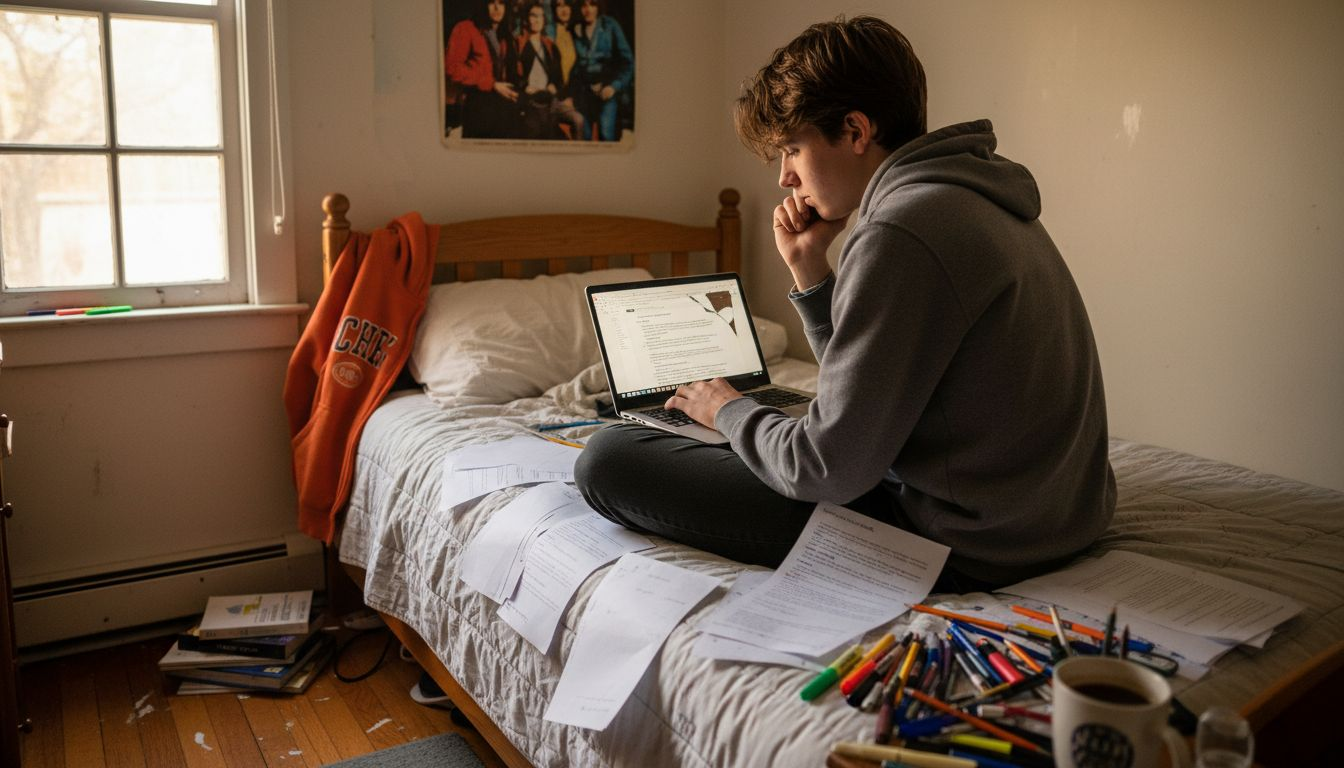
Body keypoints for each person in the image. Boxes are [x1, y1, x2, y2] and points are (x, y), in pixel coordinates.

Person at [574, 16, 1116, 591]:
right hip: (1056, 519)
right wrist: (809, 269)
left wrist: (724, 409)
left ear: (856, 131)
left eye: (793, 149)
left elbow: (824, 468)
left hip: (971, 542)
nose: (785, 177)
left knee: (608, 458)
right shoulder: (976, 196)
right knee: (752, 438)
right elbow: (873, 382)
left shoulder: (901, 232)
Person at [445, 0, 521, 139]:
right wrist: (491, 84)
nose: (497, 8)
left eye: (502, 3)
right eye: (492, 2)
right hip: (475, 105)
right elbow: (452, 68)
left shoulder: (503, 34)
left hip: (501, 107)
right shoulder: (466, 28)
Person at [515, 2, 586, 139]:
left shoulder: (550, 46)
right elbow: (513, 74)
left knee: (579, 120)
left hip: (551, 100)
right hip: (531, 101)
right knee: (538, 132)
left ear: (544, 20)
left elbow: (558, 77)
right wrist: (524, 86)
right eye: (533, 16)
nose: (537, 20)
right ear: (526, 19)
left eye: (540, 16)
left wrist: (554, 86)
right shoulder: (519, 44)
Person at [571, 0, 632, 141]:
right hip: (584, 93)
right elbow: (575, 65)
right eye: (584, 5)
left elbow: (628, 62)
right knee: (584, 138)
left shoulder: (610, 26)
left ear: (598, 7)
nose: (588, 10)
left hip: (606, 92)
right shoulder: (576, 29)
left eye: (592, 4)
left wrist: (613, 86)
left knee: (606, 136)